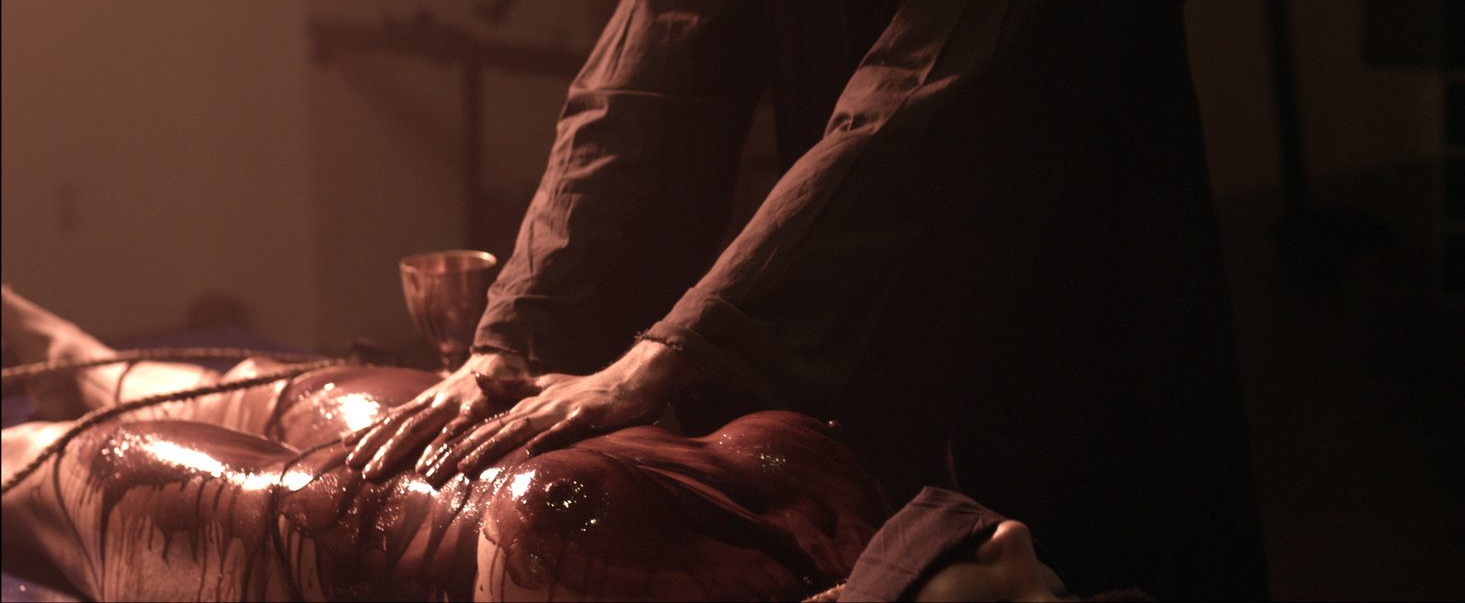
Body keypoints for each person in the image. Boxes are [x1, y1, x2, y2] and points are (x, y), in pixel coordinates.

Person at [347, 0, 1267, 599]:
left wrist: (668, 353)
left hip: (1080, 354)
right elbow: (635, 109)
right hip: (902, 378)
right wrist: (519, 340)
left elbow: (901, 136)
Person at [0, 284, 889, 601]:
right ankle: (78, 360)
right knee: (343, 400)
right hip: (492, 450)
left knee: (85, 467)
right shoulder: (878, 527)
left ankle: (57, 399)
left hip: (342, 531)